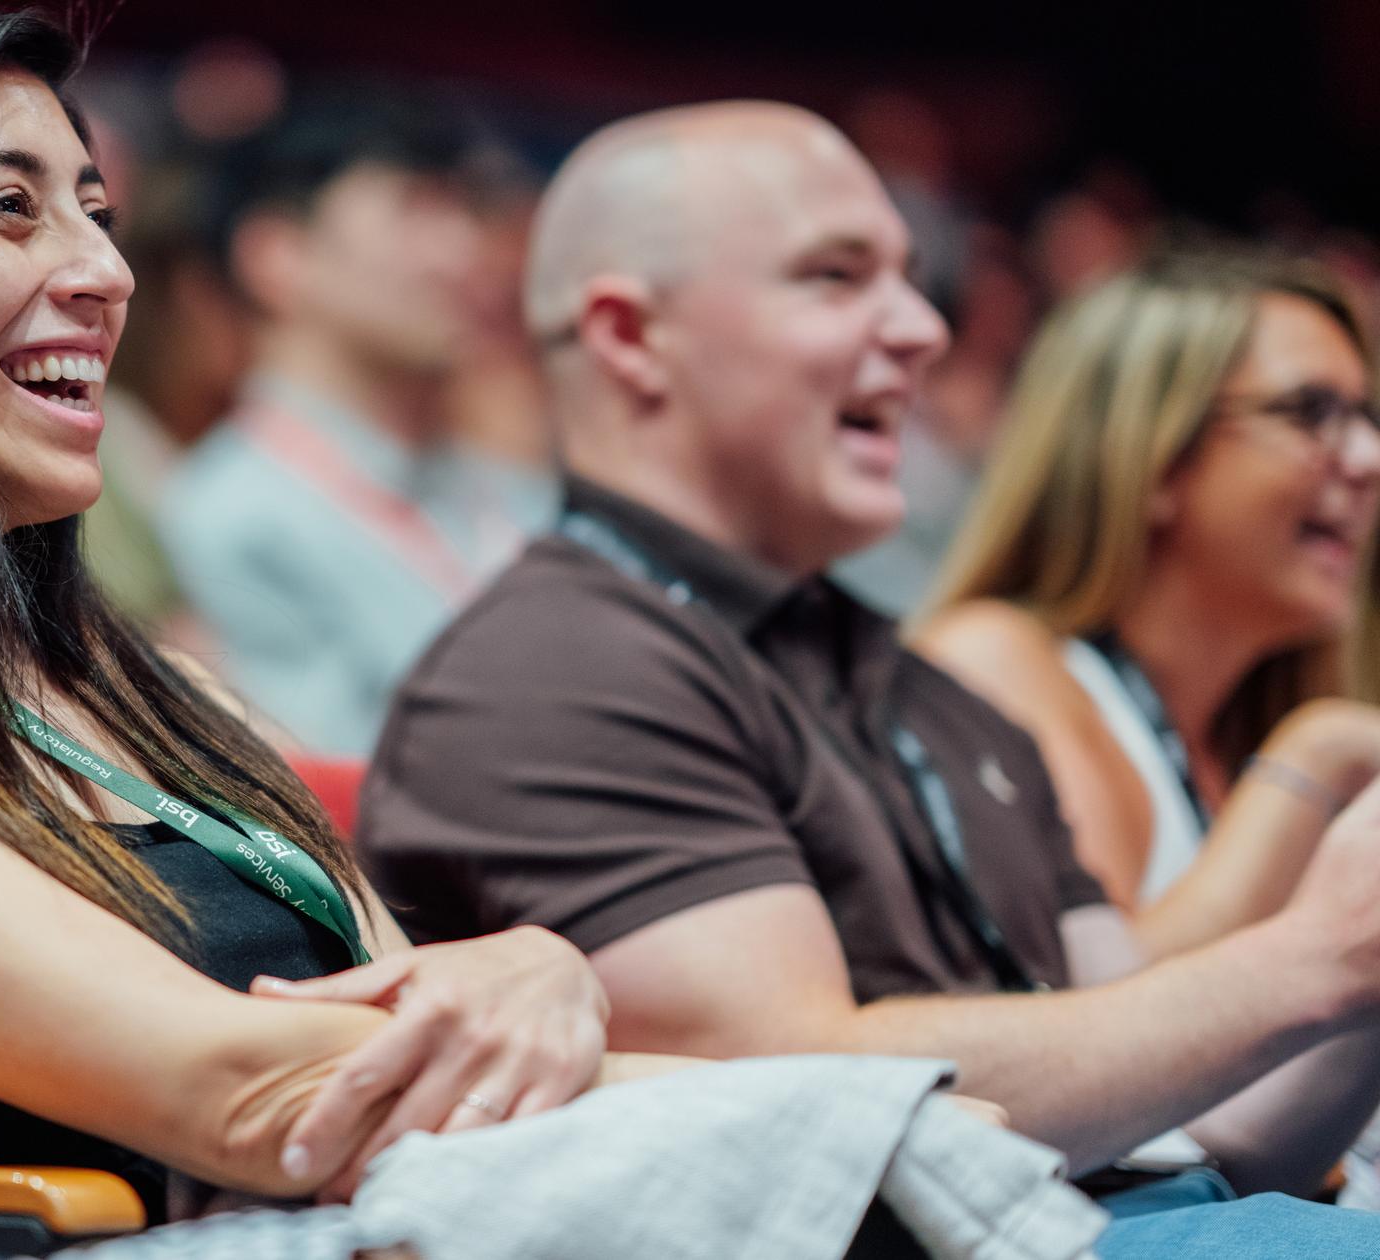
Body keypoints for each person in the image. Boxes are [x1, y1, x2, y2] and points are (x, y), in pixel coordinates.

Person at [0, 13, 1096, 1256]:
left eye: (97, 210)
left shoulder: (143, 685)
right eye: (10, 210)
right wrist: (804, 1100)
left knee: (977, 1170)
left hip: (379, 1218)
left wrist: (553, 980)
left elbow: (428, 1032)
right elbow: (248, 1095)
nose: (105, 272)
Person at [358, 100, 1380, 1248]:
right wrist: (1314, 954)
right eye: (835, 277)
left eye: (907, 278)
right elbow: (808, 1097)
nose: (922, 329)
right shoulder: (550, 670)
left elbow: (1182, 1120)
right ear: (630, 337)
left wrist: (1358, 977)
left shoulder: (921, 684)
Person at [913, 248, 1380, 1202]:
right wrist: (1316, 754)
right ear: (1152, 458)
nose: (1368, 460)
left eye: (1368, 417)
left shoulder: (1243, 727)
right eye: (1310, 413)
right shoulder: (998, 659)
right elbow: (1102, 1043)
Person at [158, 91, 555, 758]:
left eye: (462, 211)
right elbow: (344, 777)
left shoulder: (507, 490)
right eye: (416, 209)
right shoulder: (230, 515)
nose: (463, 250)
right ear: (279, 256)